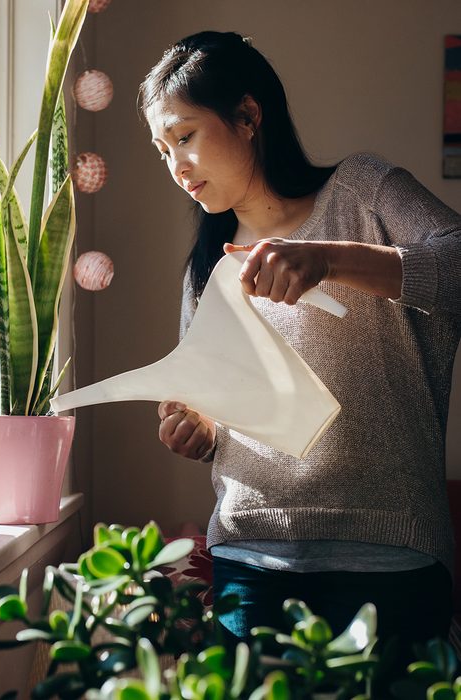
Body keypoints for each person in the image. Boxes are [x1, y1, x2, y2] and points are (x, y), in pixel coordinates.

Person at [138, 30, 461, 655]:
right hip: (247, 559)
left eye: (184, 136)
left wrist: (326, 259)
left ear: (248, 116)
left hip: (391, 557)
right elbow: (215, 419)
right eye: (161, 149)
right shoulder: (206, 264)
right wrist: (198, 431)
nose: (176, 167)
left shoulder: (363, 191)